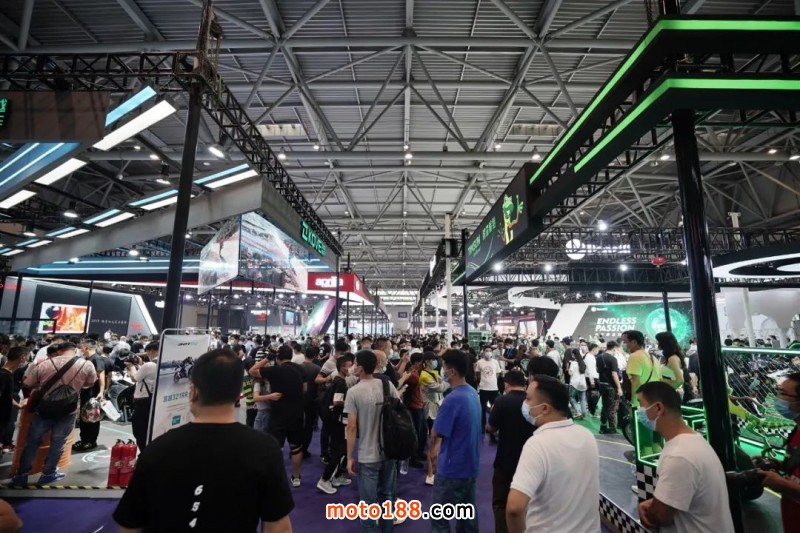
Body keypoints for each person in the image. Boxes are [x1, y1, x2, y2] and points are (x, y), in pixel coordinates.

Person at [113, 349, 294, 533]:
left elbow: (130, 526)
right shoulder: (264, 450)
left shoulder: (156, 450)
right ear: (236, 395)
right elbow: (279, 528)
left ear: (193, 392)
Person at [506, 375, 600, 532]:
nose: (524, 403)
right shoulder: (587, 436)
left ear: (544, 408)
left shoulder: (538, 444)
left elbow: (514, 508)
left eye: (528, 399)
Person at [637, 382, 734, 532]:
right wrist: (655, 502)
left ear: (658, 408)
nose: (639, 411)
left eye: (641, 405)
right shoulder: (693, 441)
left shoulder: (678, 456)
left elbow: (660, 516)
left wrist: (650, 509)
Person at [13, 342, 97, 485]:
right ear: (74, 350)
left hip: (44, 409)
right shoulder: (86, 364)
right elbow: (90, 383)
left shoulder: (45, 363)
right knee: (58, 442)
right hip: (68, 409)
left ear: (59, 351)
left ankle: (22, 475)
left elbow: (27, 383)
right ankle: (48, 473)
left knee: (32, 441)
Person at [345, 350, 399, 532]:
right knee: (387, 498)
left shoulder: (353, 392)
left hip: (368, 455)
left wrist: (349, 457)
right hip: (389, 450)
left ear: (360, 368)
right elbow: (399, 409)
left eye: (355, 363)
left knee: (367, 506)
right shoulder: (387, 385)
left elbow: (351, 427)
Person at [429, 349, 481, 533]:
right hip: (470, 465)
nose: (442, 370)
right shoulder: (472, 393)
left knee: (439, 520)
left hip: (452, 469)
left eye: (443, 367)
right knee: (467, 518)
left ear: (452, 372)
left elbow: (436, 432)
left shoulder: (452, 399)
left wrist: (433, 455)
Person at [250, 345, 306, 487]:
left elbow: (252, 371)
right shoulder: (300, 369)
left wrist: (268, 358)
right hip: (297, 413)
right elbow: (304, 389)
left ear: (278, 357)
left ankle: (274, 478)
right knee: (296, 448)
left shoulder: (275, 370)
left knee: (276, 447)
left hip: (278, 414)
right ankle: (296, 477)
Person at [486, 370, 533, 533]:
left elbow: (491, 427)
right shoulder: (532, 402)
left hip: (505, 461)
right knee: (527, 505)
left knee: (501, 503)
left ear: (506, 384)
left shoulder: (502, 401)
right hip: (529, 461)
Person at [317, 353, 354, 494]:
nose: (352, 368)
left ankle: (337, 476)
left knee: (341, 449)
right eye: (350, 366)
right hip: (338, 421)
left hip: (335, 420)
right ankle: (325, 479)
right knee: (339, 450)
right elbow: (337, 401)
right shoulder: (340, 383)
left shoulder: (338, 381)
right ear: (343, 368)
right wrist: (351, 402)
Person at [623, 330, 662, 453]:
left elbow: (636, 382)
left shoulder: (635, 356)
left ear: (634, 342)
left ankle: (646, 461)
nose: (625, 345)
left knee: (644, 438)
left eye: (626, 342)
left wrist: (634, 403)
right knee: (655, 438)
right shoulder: (653, 357)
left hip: (642, 402)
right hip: (655, 400)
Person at [73, 338, 107, 451]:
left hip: (93, 393)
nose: (80, 349)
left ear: (87, 347)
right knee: (84, 417)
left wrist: (101, 391)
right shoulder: (87, 359)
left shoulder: (97, 359)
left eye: (81, 347)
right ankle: (84, 439)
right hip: (86, 392)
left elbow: (101, 375)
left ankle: (90, 441)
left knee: (91, 418)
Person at [128, 341, 159, 452]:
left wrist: (131, 367)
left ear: (152, 351)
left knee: (139, 429)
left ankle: (144, 453)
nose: (147, 354)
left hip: (143, 401)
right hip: (155, 400)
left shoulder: (149, 365)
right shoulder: (161, 363)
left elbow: (134, 378)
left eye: (148, 352)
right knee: (150, 428)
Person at [0, 347, 26, 455]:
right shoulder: (4, 375)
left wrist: (18, 405)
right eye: (26, 357)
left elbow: (7, 397)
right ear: (22, 358)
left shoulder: (9, 374)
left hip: (4, 417)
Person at [596, 342, 623, 434]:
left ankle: (604, 426)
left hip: (601, 384)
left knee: (604, 406)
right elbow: (614, 374)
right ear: (614, 348)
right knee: (608, 408)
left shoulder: (599, 357)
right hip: (610, 386)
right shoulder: (613, 359)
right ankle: (603, 427)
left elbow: (597, 370)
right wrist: (619, 388)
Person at [475, 346, 501, 440]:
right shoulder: (479, 362)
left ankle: (493, 428)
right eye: (486, 351)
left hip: (494, 388)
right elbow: (477, 373)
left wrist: (492, 380)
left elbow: (498, 373)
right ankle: (482, 427)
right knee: (482, 409)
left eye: (490, 351)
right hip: (483, 388)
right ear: (483, 352)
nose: (488, 352)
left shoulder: (495, 362)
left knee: (494, 409)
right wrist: (482, 381)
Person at [655, 332, 689, 401]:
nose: (657, 343)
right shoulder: (670, 358)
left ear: (664, 343)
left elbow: (680, 380)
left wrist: (666, 391)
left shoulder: (673, 358)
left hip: (670, 396)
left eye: (658, 341)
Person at [300, 347, 321, 458]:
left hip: (299, 400)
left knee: (298, 425)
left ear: (304, 354)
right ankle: (304, 450)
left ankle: (297, 449)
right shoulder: (317, 368)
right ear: (314, 356)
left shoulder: (298, 367)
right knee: (308, 426)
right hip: (312, 400)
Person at [567, 348, 588, 419]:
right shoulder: (582, 362)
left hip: (574, 383)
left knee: (570, 397)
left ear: (573, 354)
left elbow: (570, 373)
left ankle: (578, 410)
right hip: (583, 383)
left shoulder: (573, 363)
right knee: (582, 399)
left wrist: (568, 368)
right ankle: (584, 414)